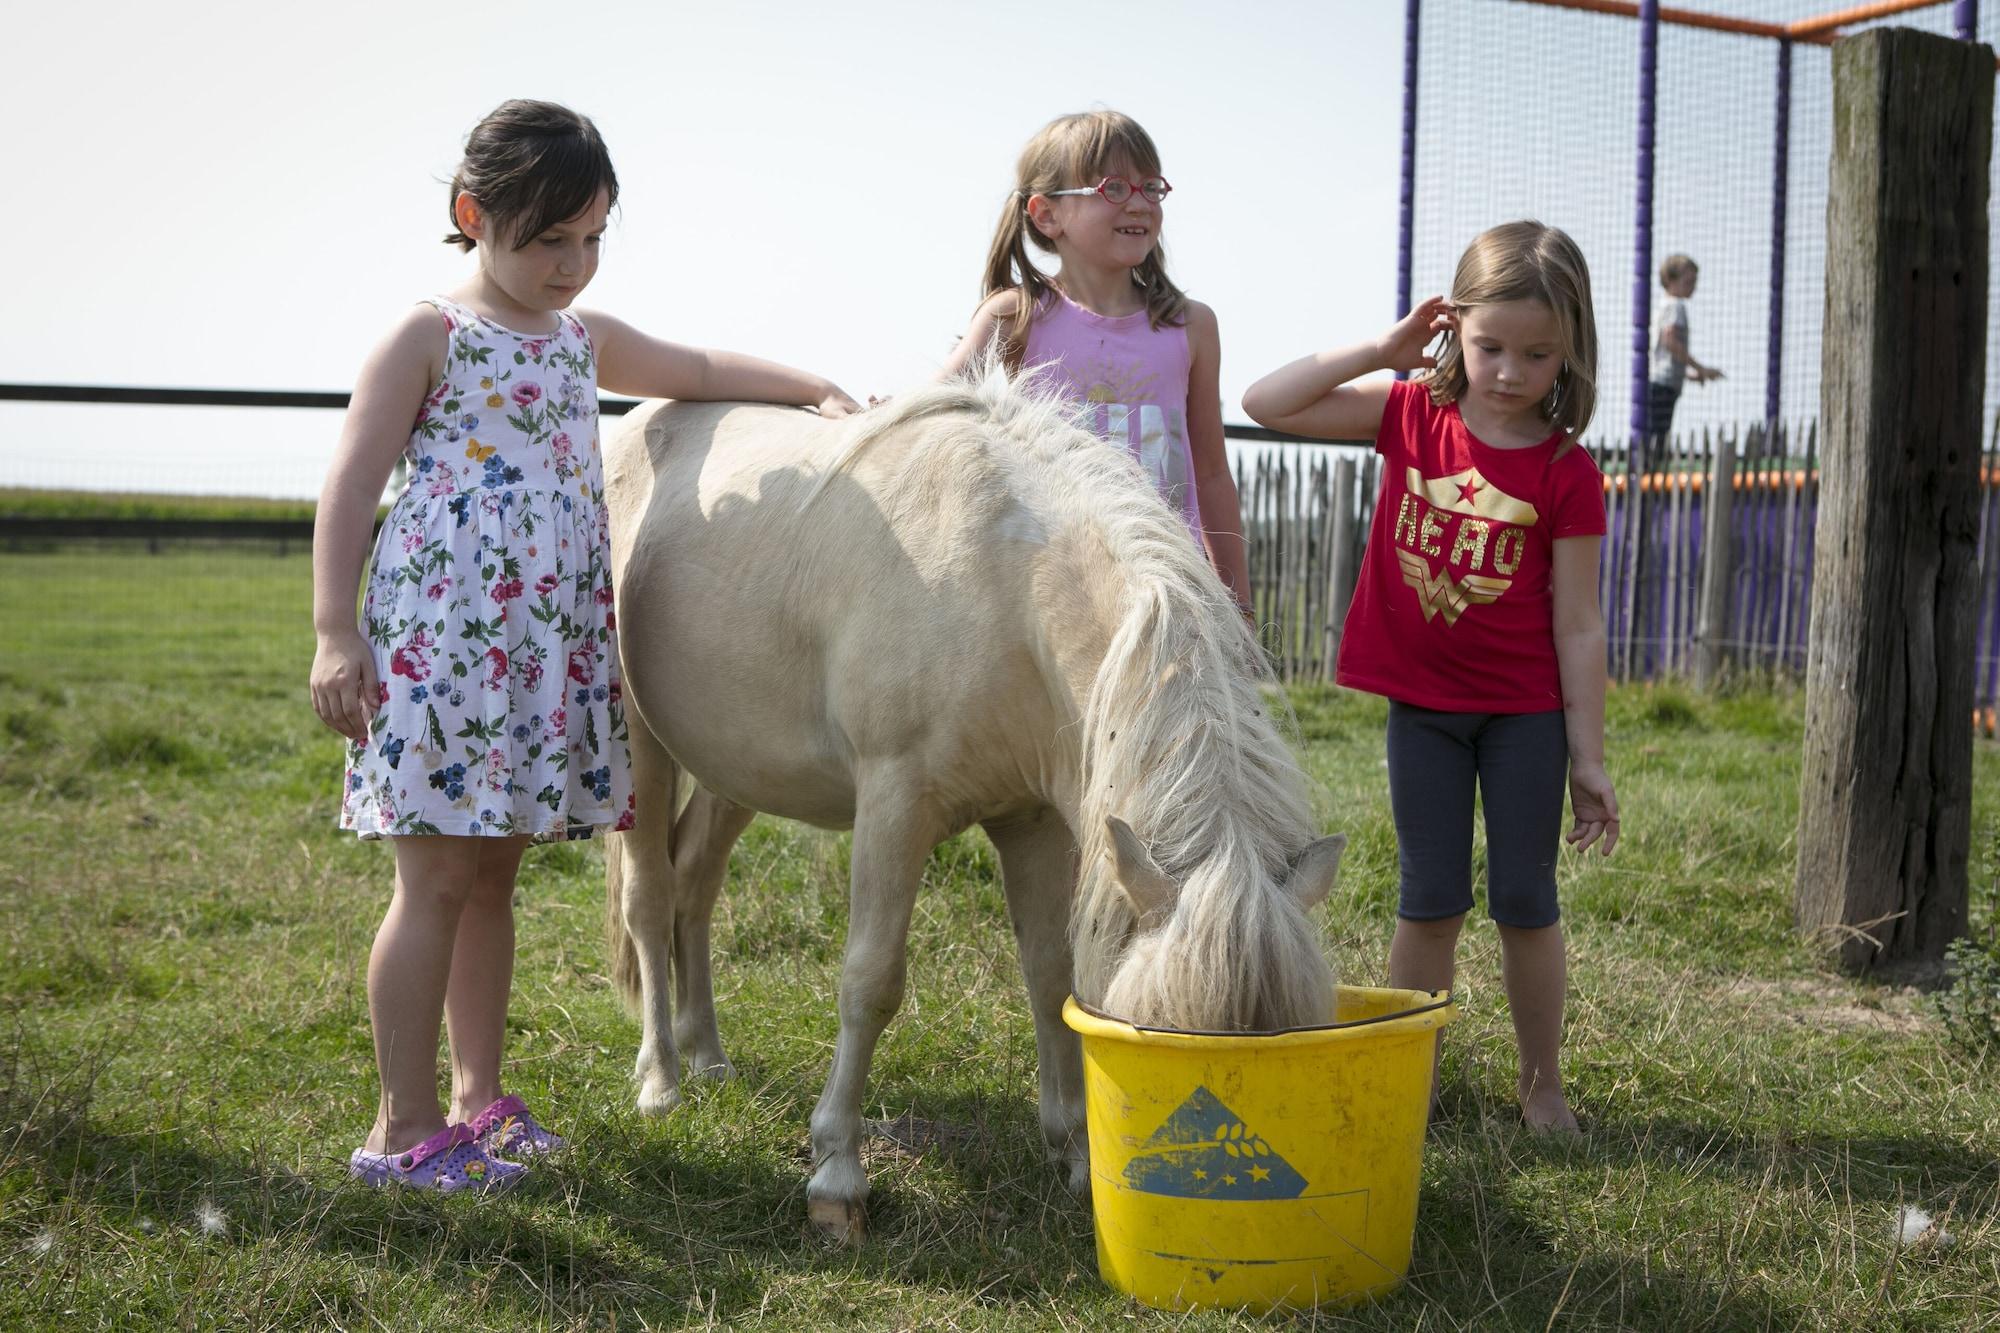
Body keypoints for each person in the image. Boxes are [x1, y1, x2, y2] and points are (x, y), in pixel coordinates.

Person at [309, 99, 860, 1190]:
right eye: (547, 239)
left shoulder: (579, 343)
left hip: (541, 648)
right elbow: (350, 483)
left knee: (493, 884)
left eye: (591, 238)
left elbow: (697, 366)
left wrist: (812, 386)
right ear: (474, 216)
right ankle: (399, 1129)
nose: (573, 264)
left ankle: (478, 1101)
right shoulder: (428, 336)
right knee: (430, 884)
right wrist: (335, 633)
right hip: (443, 649)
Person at [1242, 221, 1619, 1133]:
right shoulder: (1408, 413)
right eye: (1489, 346)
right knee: (1430, 902)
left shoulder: (1569, 474)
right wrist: (1380, 348)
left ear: (1570, 351)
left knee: (1527, 903)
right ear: (1454, 328)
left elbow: (1578, 622)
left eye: (1538, 353)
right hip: (1425, 717)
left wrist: (1588, 757)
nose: (1509, 370)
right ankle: (1405, 1084)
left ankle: (1543, 1086)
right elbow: (1265, 402)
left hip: (1524, 718)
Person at [938, 110, 1251, 617]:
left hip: (1167, 597)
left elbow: (1212, 474)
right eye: (1115, 188)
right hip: (1050, 597)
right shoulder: (1015, 317)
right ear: (1046, 215)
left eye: (1152, 187)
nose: (1141, 203)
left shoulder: (1191, 327)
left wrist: (1237, 601)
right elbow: (936, 406)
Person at [1645, 253, 1721, 459]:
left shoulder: (1662, 306)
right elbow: (1670, 342)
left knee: (1656, 431)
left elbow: (1663, 356)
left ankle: (1652, 465)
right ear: (1671, 281)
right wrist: (1700, 367)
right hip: (1664, 385)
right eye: (1688, 282)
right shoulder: (1676, 306)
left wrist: (1689, 375)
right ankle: (1653, 469)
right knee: (1659, 434)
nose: (1693, 287)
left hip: (1659, 380)